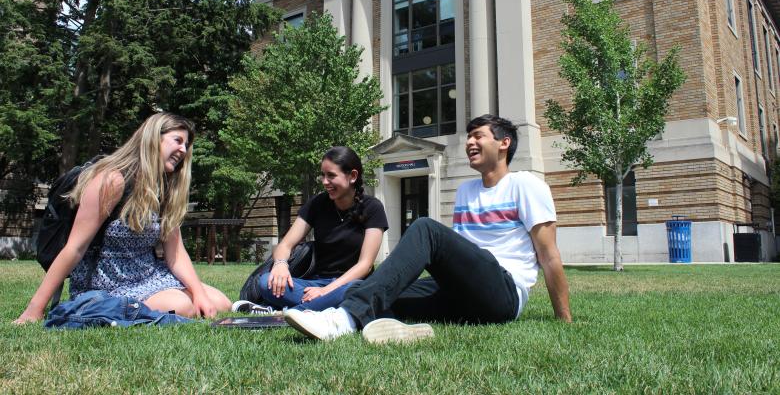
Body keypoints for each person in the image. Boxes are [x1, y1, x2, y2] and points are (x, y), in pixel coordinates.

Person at [284, 114, 572, 343]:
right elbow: (458, 258)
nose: (470, 142)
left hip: (503, 294)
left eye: (478, 135)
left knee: (426, 228)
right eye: (468, 135)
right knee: (367, 288)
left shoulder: (525, 185)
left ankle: (341, 321)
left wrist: (564, 319)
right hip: (462, 294)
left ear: (504, 143)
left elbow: (549, 256)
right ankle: (397, 330)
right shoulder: (467, 191)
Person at [14, 113, 232, 324]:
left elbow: (175, 253)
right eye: (178, 141)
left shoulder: (164, 189)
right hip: (108, 284)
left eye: (186, 145)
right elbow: (75, 248)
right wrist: (35, 309)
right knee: (186, 307)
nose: (183, 150)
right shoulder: (113, 181)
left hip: (149, 277)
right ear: (154, 139)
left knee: (221, 303)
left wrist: (198, 292)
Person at [242, 146, 387, 312]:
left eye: (331, 176)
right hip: (314, 284)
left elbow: (365, 265)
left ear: (353, 176)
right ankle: (319, 309)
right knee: (265, 281)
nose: (325, 182)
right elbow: (285, 245)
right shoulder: (317, 204)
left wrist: (326, 291)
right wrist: (280, 265)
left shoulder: (372, 208)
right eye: (323, 175)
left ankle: (294, 310)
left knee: (351, 291)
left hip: (350, 283)